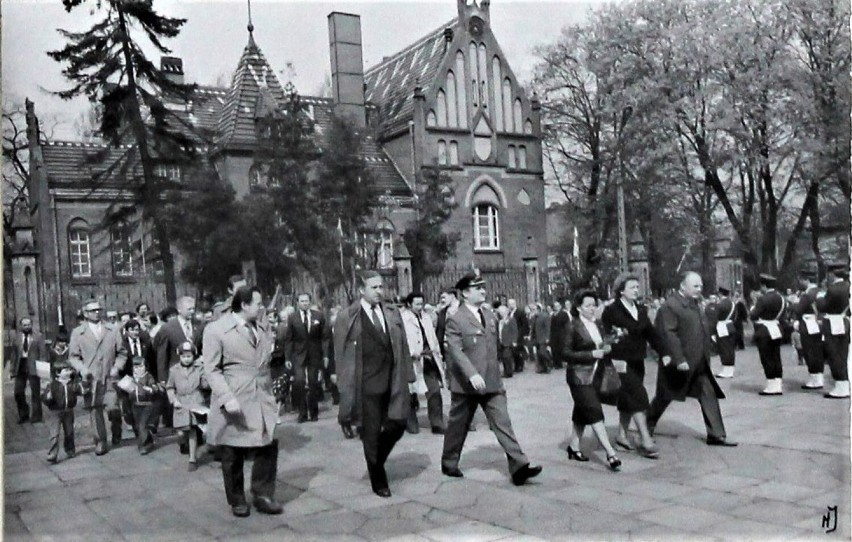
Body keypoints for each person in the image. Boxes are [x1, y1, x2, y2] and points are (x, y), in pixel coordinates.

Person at [441, 272, 542, 485]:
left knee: (503, 422)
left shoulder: (488, 315)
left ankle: (519, 466)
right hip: (467, 384)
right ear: (465, 293)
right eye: (478, 288)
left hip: (492, 382)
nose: (483, 291)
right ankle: (449, 462)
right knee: (458, 425)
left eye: (483, 287)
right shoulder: (455, 319)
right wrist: (472, 374)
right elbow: (456, 351)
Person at [334, 271, 414, 498]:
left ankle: (376, 458)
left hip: (392, 379)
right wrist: (343, 386)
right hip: (365, 384)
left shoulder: (391, 312)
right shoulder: (348, 317)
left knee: (398, 424)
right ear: (361, 290)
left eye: (381, 286)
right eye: (374, 287)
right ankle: (378, 478)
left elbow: (403, 345)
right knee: (370, 432)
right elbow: (340, 354)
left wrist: (408, 377)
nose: (380, 291)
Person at [204, 286, 282, 517]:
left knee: (267, 445)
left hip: (262, 396)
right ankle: (237, 499)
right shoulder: (216, 330)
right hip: (235, 396)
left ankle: (263, 494)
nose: (262, 307)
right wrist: (226, 398)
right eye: (258, 303)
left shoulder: (261, 327)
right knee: (232, 450)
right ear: (244, 304)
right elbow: (211, 368)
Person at [647, 272, 736, 447]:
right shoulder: (670, 306)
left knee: (708, 393)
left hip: (699, 360)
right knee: (665, 396)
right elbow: (668, 335)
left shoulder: (695, 304)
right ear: (682, 286)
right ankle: (646, 425)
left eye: (701, 286)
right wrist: (679, 359)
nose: (699, 289)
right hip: (680, 362)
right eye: (695, 286)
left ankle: (716, 434)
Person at [601, 275, 669, 459]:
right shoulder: (611, 311)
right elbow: (606, 336)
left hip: (637, 360)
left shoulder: (640, 309)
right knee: (639, 396)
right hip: (620, 361)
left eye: (638, 287)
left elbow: (651, 333)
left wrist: (665, 352)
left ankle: (622, 436)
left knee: (628, 398)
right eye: (632, 287)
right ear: (621, 290)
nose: (636, 290)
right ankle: (645, 439)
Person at [563, 290, 622, 470]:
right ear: (579, 308)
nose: (592, 309)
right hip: (579, 376)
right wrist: (591, 354)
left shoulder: (598, 324)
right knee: (594, 410)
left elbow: (601, 343)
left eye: (594, 305)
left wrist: (608, 346)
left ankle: (573, 446)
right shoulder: (572, 326)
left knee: (582, 412)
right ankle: (610, 453)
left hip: (597, 373)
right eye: (587, 305)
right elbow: (565, 353)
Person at [69, 300, 128, 455]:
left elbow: (122, 352)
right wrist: (82, 369)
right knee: (95, 410)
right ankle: (100, 441)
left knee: (113, 407)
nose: (96, 313)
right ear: (86, 313)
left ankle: (116, 428)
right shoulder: (78, 333)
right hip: (91, 379)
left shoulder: (112, 330)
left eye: (98, 310)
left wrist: (117, 367)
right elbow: (73, 357)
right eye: (93, 310)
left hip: (109, 376)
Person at [401, 292, 446, 435]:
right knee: (411, 392)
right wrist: (412, 352)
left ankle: (437, 423)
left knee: (434, 391)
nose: (420, 307)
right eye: (417, 304)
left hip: (429, 359)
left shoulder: (426, 318)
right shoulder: (403, 319)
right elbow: (402, 341)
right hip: (413, 360)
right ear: (409, 304)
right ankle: (410, 422)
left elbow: (432, 338)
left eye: (421, 304)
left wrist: (438, 354)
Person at [156, 296, 202, 428]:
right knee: (180, 409)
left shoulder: (199, 325)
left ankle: (196, 437)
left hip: (195, 373)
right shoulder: (168, 328)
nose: (192, 311)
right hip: (177, 375)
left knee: (197, 406)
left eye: (194, 308)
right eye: (189, 309)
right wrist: (162, 378)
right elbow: (162, 354)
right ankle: (183, 439)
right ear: (179, 309)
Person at [283, 293, 329, 423]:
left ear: (310, 302)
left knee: (314, 383)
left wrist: (325, 355)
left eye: (307, 301)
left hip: (314, 355)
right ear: (297, 303)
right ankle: (302, 413)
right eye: (302, 301)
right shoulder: (292, 318)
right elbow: (289, 340)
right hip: (298, 356)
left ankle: (314, 412)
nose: (305, 303)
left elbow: (324, 338)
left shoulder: (318, 316)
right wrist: (287, 358)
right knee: (299, 382)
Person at [167, 341, 209, 471]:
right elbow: (170, 387)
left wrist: (206, 371)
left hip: (195, 401)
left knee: (192, 431)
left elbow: (205, 385)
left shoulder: (199, 368)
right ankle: (182, 442)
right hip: (181, 403)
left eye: (189, 356)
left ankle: (192, 459)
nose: (186, 359)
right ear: (179, 356)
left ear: (194, 356)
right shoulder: (174, 370)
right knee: (181, 432)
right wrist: (173, 400)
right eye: (183, 356)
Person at [749, 274, 786, 396]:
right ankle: (778, 383)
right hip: (776, 327)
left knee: (766, 357)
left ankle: (771, 384)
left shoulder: (763, 299)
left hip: (764, 330)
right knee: (776, 357)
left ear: (764, 286)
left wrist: (753, 306)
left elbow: (753, 315)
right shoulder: (781, 298)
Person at [42, 360, 81, 463]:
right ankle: (53, 453)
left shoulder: (72, 384)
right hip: (55, 412)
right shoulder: (52, 385)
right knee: (54, 434)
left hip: (68, 410)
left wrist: (83, 388)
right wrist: (48, 397)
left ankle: (70, 449)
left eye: (69, 370)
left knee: (69, 432)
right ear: (58, 373)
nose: (69, 372)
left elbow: (79, 390)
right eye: (66, 370)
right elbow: (44, 398)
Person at [10, 317, 46, 424]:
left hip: (33, 366)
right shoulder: (16, 337)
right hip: (20, 366)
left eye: (28, 324)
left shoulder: (38, 337)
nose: (27, 327)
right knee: (18, 392)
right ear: (21, 326)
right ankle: (23, 414)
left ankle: (37, 416)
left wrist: (43, 372)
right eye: (24, 325)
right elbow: (14, 354)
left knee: (35, 392)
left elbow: (43, 354)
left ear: (31, 325)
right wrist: (12, 370)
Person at [822, 264, 850, 399]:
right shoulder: (848, 286)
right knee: (843, 353)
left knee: (833, 353)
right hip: (845, 321)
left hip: (832, 322)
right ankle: (844, 383)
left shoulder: (832, 289)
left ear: (832, 274)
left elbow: (824, 306)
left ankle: (840, 385)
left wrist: (820, 299)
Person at [127, 356, 164, 455]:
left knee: (142, 425)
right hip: (135, 405)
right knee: (137, 426)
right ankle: (149, 441)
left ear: (145, 367)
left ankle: (142, 445)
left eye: (141, 367)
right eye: (135, 367)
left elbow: (154, 387)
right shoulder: (131, 378)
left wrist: (150, 389)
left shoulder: (148, 376)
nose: (138, 369)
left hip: (147, 404)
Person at [794, 272, 825, 390]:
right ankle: (819, 377)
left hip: (808, 324)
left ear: (806, 279)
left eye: (800, 280)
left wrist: (792, 304)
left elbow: (799, 309)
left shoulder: (808, 294)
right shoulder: (820, 291)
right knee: (818, 351)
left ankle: (813, 378)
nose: (799, 283)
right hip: (819, 324)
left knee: (809, 350)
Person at [711, 288, 738, 379]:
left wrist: (712, 331)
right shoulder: (732, 303)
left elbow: (714, 318)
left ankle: (726, 370)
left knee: (724, 348)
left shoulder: (720, 304)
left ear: (720, 293)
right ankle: (730, 369)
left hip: (722, 327)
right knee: (730, 349)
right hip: (730, 326)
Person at [507, 299, 529, 374]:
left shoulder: (520, 312)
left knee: (518, 350)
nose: (511, 305)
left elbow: (525, 324)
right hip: (511, 335)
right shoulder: (509, 313)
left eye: (512, 304)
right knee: (514, 351)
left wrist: (524, 334)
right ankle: (516, 365)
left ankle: (520, 366)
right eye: (509, 304)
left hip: (519, 334)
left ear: (515, 304)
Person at [497, 305, 519, 378]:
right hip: (501, 342)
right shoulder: (500, 321)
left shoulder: (511, 320)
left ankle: (509, 372)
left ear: (506, 312)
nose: (501, 313)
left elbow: (515, 331)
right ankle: (506, 371)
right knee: (503, 357)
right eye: (500, 312)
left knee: (507, 357)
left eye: (502, 312)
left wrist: (514, 341)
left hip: (508, 342)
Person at [550, 300, 571, 370]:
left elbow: (567, 325)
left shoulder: (564, 314)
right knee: (554, 348)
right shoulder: (553, 315)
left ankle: (560, 363)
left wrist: (566, 334)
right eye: (555, 306)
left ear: (560, 306)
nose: (556, 307)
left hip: (562, 334)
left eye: (557, 306)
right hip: (554, 334)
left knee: (560, 348)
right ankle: (555, 362)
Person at [532, 303, 552, 374]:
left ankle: (549, 362)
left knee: (542, 352)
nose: (532, 311)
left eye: (534, 309)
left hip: (543, 338)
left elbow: (548, 328)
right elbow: (533, 328)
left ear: (538, 309)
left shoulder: (545, 316)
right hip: (537, 338)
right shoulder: (534, 317)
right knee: (539, 354)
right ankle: (543, 367)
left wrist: (547, 337)